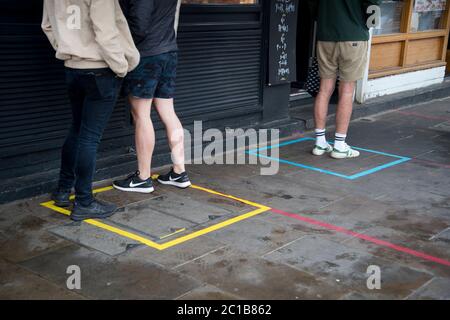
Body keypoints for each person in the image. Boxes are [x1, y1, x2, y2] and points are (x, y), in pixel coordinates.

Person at [42, 0, 140, 221]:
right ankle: (84, 201)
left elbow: (47, 25)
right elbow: (105, 31)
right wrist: (121, 67)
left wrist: (68, 48)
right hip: (100, 69)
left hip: (73, 68)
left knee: (77, 129)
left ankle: (63, 190)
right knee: (89, 137)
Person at [113, 0, 191, 194]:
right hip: (169, 51)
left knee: (141, 115)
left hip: (146, 55)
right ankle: (179, 172)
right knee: (168, 112)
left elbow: (139, 25)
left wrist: (120, 43)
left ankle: (143, 178)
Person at [309, 0, 380, 159]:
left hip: (325, 36)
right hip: (353, 35)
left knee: (324, 89)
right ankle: (339, 145)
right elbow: (374, 4)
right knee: (347, 92)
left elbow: (311, 5)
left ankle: (320, 142)